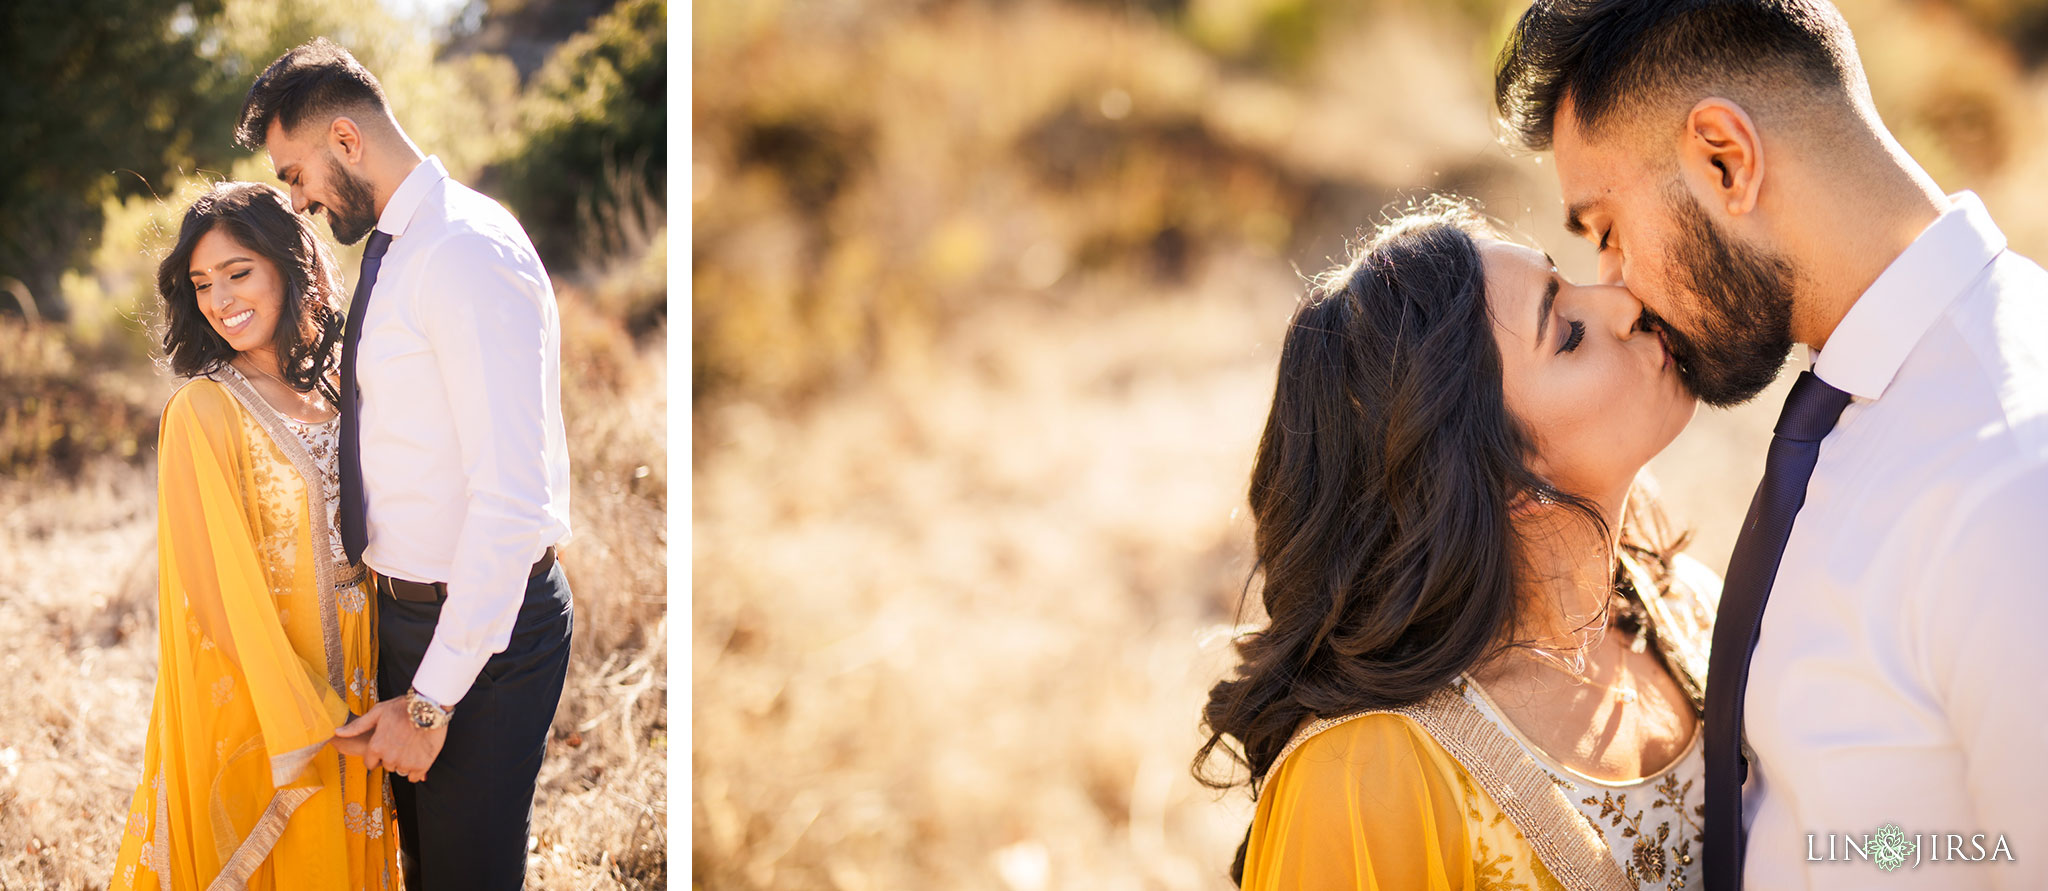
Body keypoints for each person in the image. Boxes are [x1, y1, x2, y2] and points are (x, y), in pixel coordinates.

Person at [1495, 2, 2048, 888]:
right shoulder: (1868, 404)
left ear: (1726, 159)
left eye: (1606, 230)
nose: (1616, 286)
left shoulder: (2013, 476)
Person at [1197, 198, 1717, 889]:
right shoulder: (1363, 776)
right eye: (1566, 333)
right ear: (1498, 475)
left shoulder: (1691, 608)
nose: (1623, 303)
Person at [233, 38, 574, 889]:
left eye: (296, 173)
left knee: (467, 876)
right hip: (405, 618)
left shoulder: (464, 252)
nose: (298, 200)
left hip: (484, 635)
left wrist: (431, 702)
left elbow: (512, 501)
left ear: (346, 140)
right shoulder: (399, 249)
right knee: (418, 868)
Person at [109, 181, 400, 890]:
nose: (219, 298)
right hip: (267, 695)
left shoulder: (341, 386)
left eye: (238, 272)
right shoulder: (201, 411)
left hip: (367, 667)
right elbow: (213, 591)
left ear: (290, 267)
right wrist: (312, 711)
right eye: (202, 282)